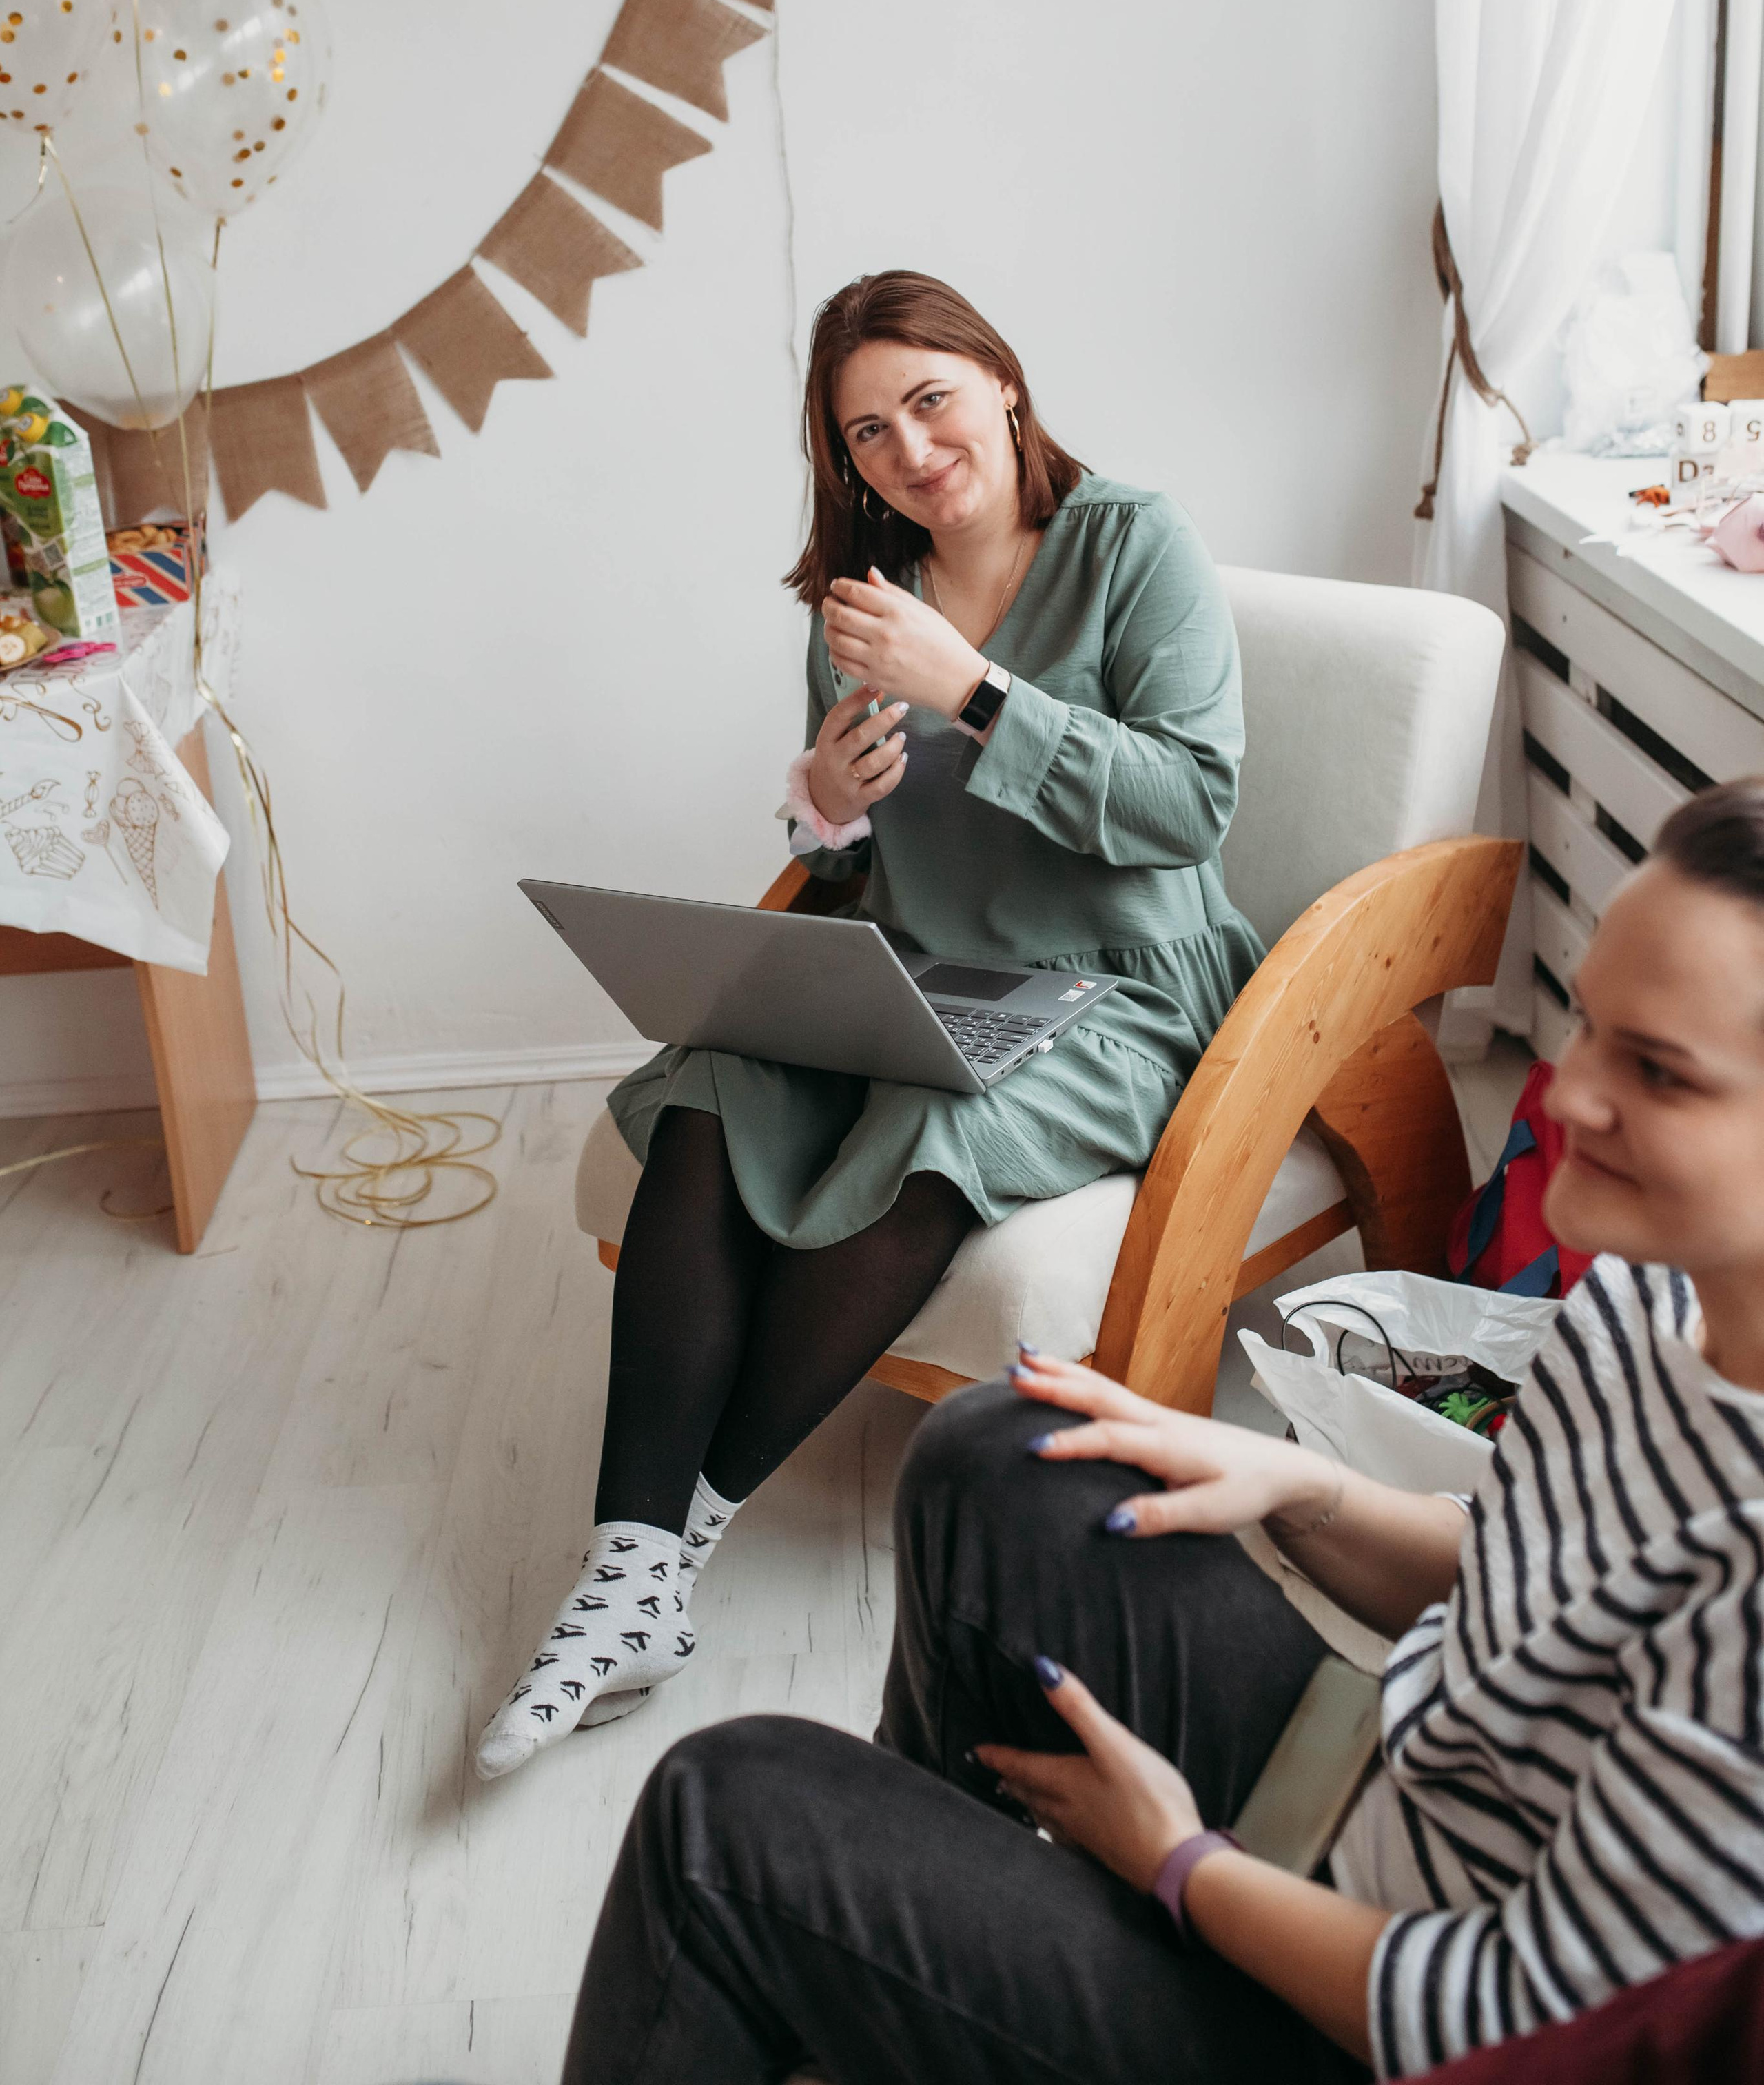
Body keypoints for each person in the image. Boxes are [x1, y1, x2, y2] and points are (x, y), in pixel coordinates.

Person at [557, 774, 1764, 2081]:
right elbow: (1537, 1574)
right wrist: (1294, 1482)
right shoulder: (1648, 1303)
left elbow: (1511, 2028)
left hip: (1390, 2019)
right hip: (1405, 1792)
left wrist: (1182, 1865)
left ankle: (847, 1956)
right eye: (1587, 1023)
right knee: (1002, 1454)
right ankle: (885, 1995)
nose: (1566, 1093)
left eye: (1659, 1073)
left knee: (726, 1819)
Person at [476, 269, 1264, 1778]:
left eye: (929, 399)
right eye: (865, 431)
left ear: (1000, 384)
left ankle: (674, 1545)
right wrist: (826, 807)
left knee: (935, 1119)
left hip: (1117, 986)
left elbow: (1189, 802)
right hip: (917, 959)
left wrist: (972, 690)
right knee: (707, 1080)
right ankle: (627, 1574)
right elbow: (847, 851)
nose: (907, 448)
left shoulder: (1132, 547)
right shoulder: (858, 604)